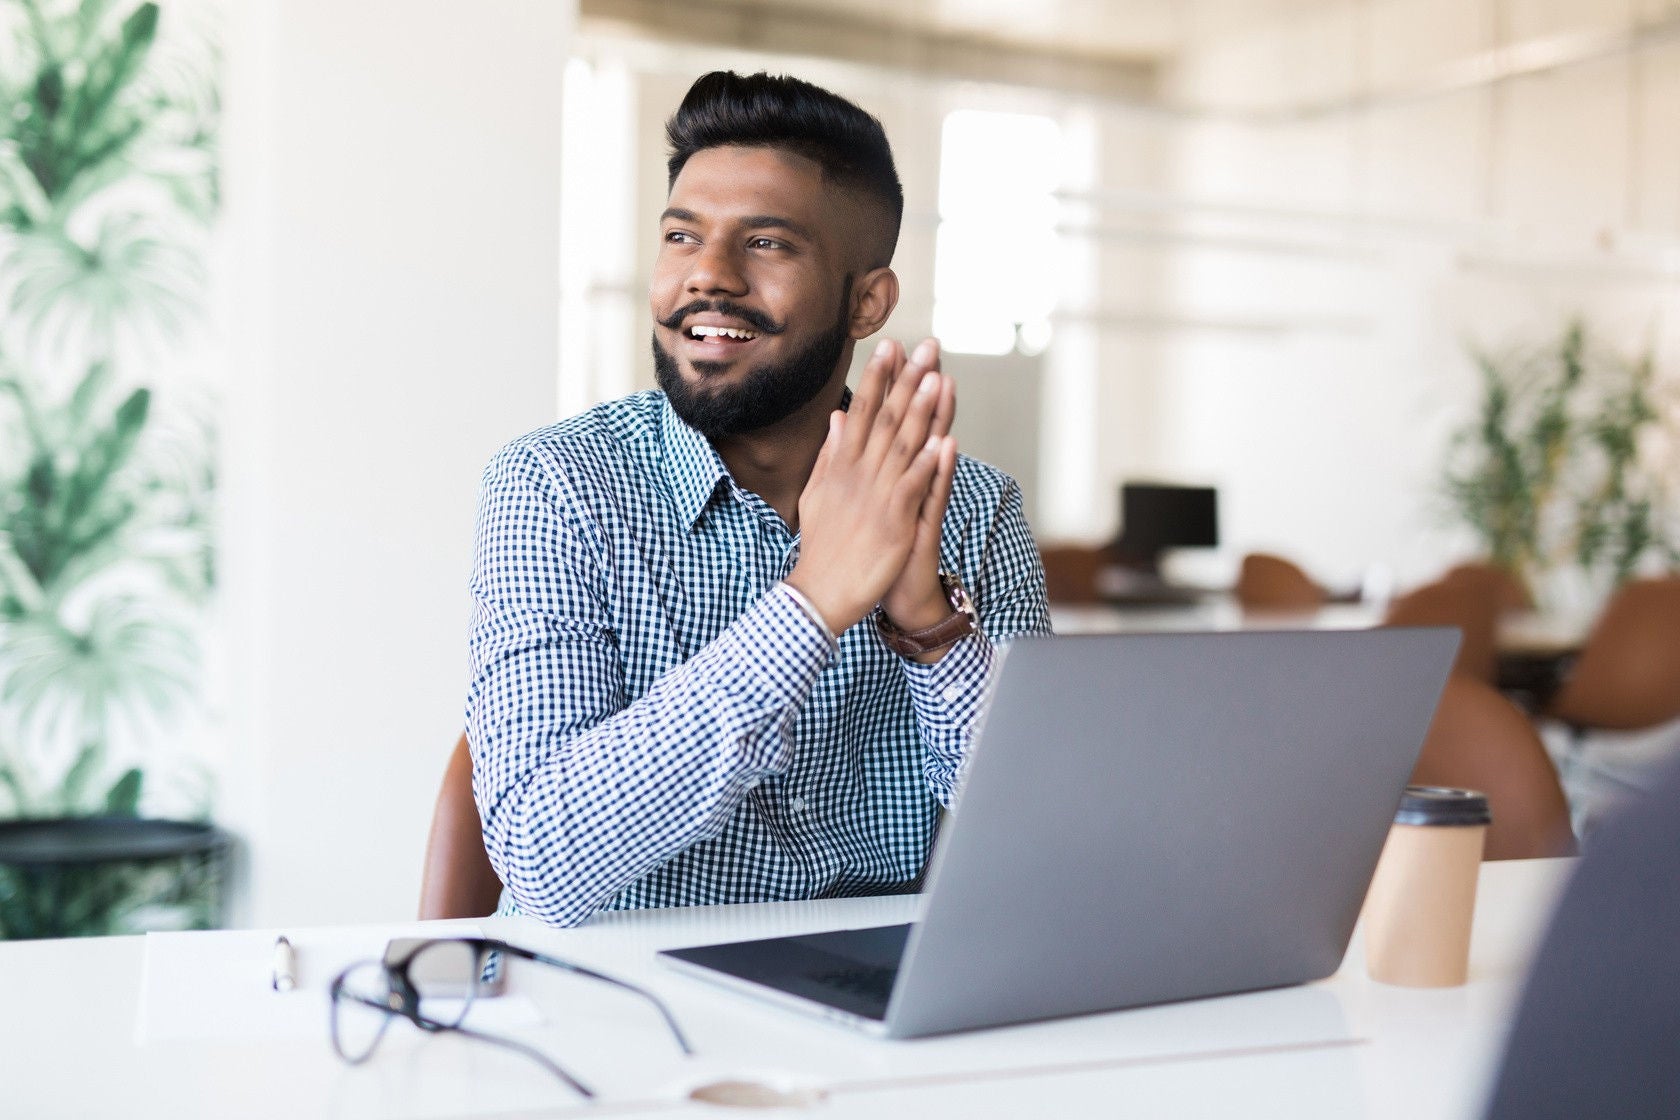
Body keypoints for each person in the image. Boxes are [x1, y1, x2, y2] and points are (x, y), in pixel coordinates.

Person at [465, 71, 1050, 929]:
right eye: (681, 236)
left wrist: (926, 620)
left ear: (867, 303)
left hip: (870, 999)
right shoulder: (556, 487)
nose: (708, 277)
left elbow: (1040, 838)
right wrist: (814, 601)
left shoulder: (973, 507)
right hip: (622, 997)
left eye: (767, 243)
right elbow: (543, 858)